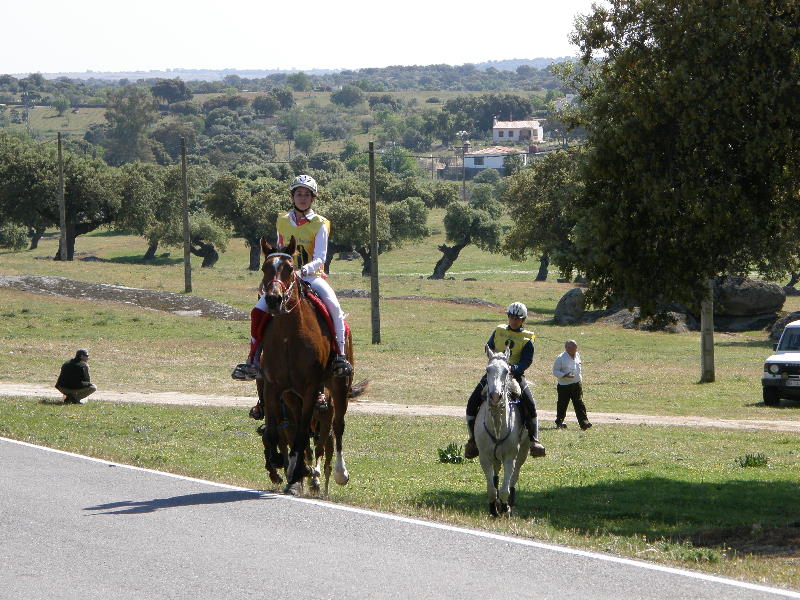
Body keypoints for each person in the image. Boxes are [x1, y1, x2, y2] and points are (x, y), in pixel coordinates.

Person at [232, 174, 353, 392]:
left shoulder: (320, 223)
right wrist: (268, 279)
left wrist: (301, 271)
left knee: (334, 307)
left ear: (313, 198)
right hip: (285, 278)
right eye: (299, 194)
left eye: (307, 194)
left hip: (312, 276)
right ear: (292, 196)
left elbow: (320, 258)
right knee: (258, 311)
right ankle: (252, 360)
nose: (302, 198)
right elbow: (278, 253)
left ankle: (341, 357)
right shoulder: (282, 220)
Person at [464, 302, 546, 460]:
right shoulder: (499, 330)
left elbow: (527, 360)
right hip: (495, 372)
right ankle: (472, 441)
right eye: (511, 317)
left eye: (517, 318)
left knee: (530, 402)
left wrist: (514, 368)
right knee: (472, 401)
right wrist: (495, 361)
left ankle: (534, 440)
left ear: (523, 320)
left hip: (514, 374)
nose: (514, 320)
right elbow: (489, 346)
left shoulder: (528, 337)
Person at [552, 339, 592, 430]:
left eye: (575, 346)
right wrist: (564, 375)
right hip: (564, 385)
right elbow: (555, 371)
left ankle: (584, 423)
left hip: (576, 384)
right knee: (562, 404)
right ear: (566, 348)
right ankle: (559, 422)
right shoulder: (560, 358)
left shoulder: (577, 355)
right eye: (572, 347)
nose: (574, 348)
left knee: (579, 403)